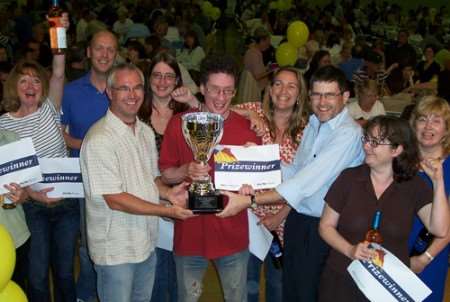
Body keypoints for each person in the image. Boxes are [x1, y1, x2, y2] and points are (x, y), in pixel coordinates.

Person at [218, 65, 365, 301]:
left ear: (345, 97)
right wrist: (262, 157)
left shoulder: (347, 133)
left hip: (324, 227)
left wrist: (250, 199)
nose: (322, 102)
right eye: (317, 95)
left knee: (309, 293)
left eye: (330, 95)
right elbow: (296, 170)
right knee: (292, 290)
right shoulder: (315, 124)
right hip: (298, 222)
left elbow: (304, 183)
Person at [79, 63, 194, 302]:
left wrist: (168, 194)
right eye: (124, 88)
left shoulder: (144, 131)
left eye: (137, 88)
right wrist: (165, 209)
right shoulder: (99, 139)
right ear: (110, 93)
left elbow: (151, 178)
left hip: (145, 243)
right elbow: (115, 199)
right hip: (116, 251)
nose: (132, 95)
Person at [158, 55, 261, 302]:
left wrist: (251, 182)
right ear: (202, 88)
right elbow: (166, 173)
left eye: (227, 91)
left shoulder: (249, 130)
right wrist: (187, 170)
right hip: (190, 233)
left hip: (232, 235)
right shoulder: (179, 124)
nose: (221, 98)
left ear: (235, 92)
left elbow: (260, 186)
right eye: (215, 89)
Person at [318, 115, 449, 302]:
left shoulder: (413, 185)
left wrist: (438, 182)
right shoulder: (349, 179)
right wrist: (350, 250)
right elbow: (325, 226)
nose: (367, 146)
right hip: (342, 279)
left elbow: (440, 229)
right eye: (367, 139)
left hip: (388, 285)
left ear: (396, 149)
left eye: (376, 142)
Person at [0, 14, 79, 302]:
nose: (30, 85)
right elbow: (9, 175)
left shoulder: (49, 108)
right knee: (36, 277)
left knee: (64, 274)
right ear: (14, 87)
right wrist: (35, 196)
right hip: (32, 208)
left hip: (67, 202)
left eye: (35, 80)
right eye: (24, 80)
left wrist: (59, 34)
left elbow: (58, 72)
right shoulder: (3, 124)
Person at [234, 67, 307, 302]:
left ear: (299, 94)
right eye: (278, 83)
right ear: (270, 88)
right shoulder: (254, 110)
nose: (283, 91)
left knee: (278, 286)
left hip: (285, 220)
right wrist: (249, 116)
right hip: (248, 217)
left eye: (291, 86)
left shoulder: (307, 129)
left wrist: (280, 217)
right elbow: (219, 109)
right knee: (249, 284)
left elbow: (307, 181)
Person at [61, 30, 119, 302]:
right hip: (85, 182)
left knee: (116, 245)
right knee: (88, 247)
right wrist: (90, 147)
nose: (104, 54)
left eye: (110, 49)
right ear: (88, 52)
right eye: (99, 48)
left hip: (120, 181)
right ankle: (85, 296)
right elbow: (58, 133)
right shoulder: (70, 92)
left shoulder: (122, 91)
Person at [138, 52, 200, 302]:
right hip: (150, 199)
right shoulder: (137, 111)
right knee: (155, 277)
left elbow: (213, 129)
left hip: (184, 201)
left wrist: (194, 101)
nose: (162, 82)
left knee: (182, 278)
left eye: (169, 76)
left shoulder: (187, 112)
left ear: (177, 80)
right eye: (157, 75)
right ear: (148, 78)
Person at [408, 96, 450, 302]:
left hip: (429, 253)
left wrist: (424, 259)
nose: (428, 126)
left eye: (436, 120)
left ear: (447, 130)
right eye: (422, 119)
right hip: (393, 249)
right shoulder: (400, 160)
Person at [0, 130, 30, 293]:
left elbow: (26, 192)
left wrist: (22, 195)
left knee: (16, 289)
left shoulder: (12, 139)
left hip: (15, 235)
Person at [243, 27, 273, 93]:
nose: (268, 46)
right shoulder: (255, 54)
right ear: (262, 41)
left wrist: (266, 68)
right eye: (267, 43)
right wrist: (270, 70)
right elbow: (257, 76)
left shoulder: (251, 51)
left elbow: (255, 70)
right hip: (258, 89)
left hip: (254, 86)